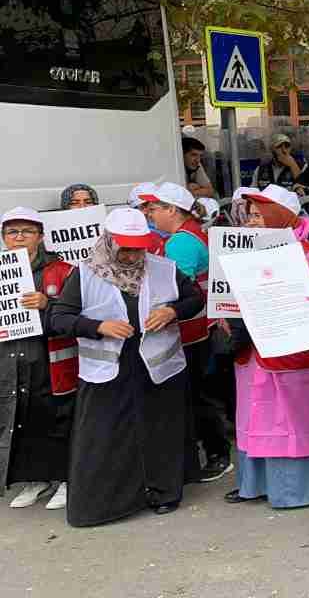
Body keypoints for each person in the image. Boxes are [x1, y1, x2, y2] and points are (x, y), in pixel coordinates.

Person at [48, 208, 203, 526]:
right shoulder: (85, 273)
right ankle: (112, 502)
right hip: (108, 371)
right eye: (126, 248)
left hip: (158, 368)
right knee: (108, 437)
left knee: (159, 432)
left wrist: (173, 311)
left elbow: (195, 299)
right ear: (109, 243)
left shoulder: (164, 268)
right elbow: (58, 318)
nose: (133, 256)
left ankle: (163, 492)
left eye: (139, 248)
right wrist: (98, 326)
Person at [222, 186, 309, 510]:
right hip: (252, 349)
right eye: (250, 215)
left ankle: (295, 490)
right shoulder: (241, 253)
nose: (252, 222)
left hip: (287, 349)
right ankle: (254, 484)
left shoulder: (308, 256)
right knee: (255, 413)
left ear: (280, 218)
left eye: (259, 215)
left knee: (287, 416)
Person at [142, 182, 231, 482]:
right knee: (201, 393)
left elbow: (175, 291)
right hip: (198, 327)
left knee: (197, 395)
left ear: (172, 210)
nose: (150, 214)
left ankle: (218, 453)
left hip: (192, 330)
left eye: (154, 208)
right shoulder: (192, 233)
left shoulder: (180, 242)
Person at [0, 208, 77, 511]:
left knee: (58, 418)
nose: (18, 237)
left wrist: (49, 303)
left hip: (51, 358)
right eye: (12, 232)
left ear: (41, 237)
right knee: (24, 419)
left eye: (26, 231)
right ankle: (37, 478)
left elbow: (78, 312)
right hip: (12, 356)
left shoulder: (62, 270)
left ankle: (67, 478)